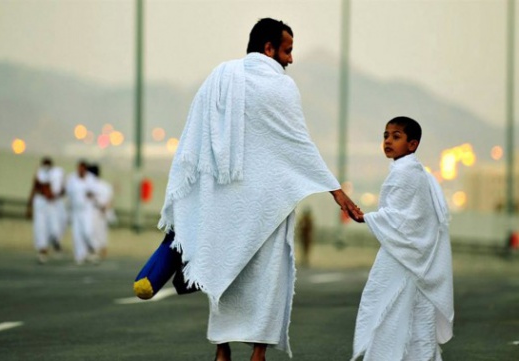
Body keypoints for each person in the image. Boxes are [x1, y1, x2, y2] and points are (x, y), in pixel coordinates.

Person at [158, 18, 362, 360]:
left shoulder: (219, 78)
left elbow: (196, 140)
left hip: (223, 202)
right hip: (268, 204)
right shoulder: (281, 87)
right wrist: (336, 191)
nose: (291, 60)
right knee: (267, 279)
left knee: (225, 271)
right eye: (287, 50)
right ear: (269, 49)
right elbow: (298, 144)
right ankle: (257, 354)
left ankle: (222, 351)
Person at [351, 116, 454, 361]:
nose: (388, 141)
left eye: (396, 136)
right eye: (386, 135)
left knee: (389, 311)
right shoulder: (412, 170)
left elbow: (404, 219)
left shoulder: (406, 173)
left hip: (403, 256)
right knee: (415, 315)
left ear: (412, 144)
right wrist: (372, 218)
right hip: (413, 255)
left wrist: (367, 218)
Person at [27, 157, 65, 264]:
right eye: (44, 164)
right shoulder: (39, 173)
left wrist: (55, 195)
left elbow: (61, 189)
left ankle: (55, 242)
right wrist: (29, 206)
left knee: (54, 229)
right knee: (40, 228)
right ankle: (42, 251)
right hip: (40, 203)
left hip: (52, 204)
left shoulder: (57, 174)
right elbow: (34, 188)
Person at [65, 160, 99, 265]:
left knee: (87, 231)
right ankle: (80, 255)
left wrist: (89, 193)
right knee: (77, 233)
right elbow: (68, 192)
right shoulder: (72, 178)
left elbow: (94, 192)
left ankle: (92, 247)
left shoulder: (91, 178)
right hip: (76, 210)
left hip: (86, 210)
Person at [88, 163, 115, 260]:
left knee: (95, 231)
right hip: (102, 211)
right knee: (102, 231)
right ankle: (101, 249)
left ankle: (96, 250)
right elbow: (110, 200)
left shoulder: (92, 185)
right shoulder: (105, 185)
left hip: (95, 211)